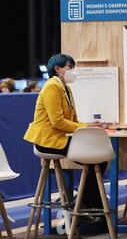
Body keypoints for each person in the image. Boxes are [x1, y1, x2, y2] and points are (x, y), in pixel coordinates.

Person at [23, 54, 106, 224]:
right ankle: (86, 205)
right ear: (58, 69)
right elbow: (57, 122)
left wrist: (88, 124)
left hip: (59, 138)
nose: (73, 71)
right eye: (70, 67)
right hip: (47, 141)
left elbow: (72, 121)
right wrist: (84, 127)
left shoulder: (65, 88)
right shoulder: (51, 87)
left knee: (99, 159)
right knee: (96, 158)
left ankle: (86, 204)